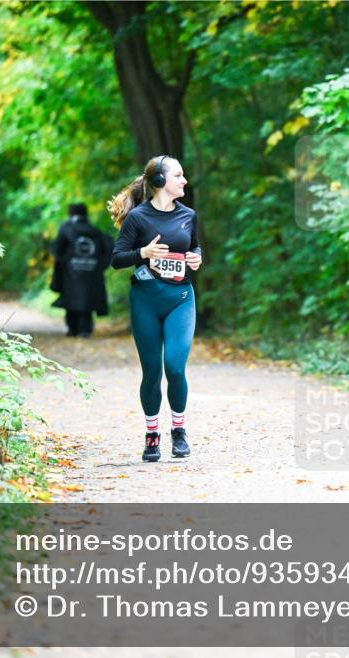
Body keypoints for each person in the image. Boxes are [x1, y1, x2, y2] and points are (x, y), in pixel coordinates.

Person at [109, 155, 202, 463]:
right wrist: (143, 252)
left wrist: (195, 257)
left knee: (174, 366)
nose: (184, 180)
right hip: (146, 301)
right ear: (161, 182)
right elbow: (117, 258)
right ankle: (152, 435)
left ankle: (179, 430)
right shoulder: (139, 218)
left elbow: (195, 246)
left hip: (181, 299)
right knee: (151, 372)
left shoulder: (189, 215)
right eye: (179, 175)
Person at [50, 203, 112, 338]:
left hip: (71, 273)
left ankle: (72, 330)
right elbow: (108, 249)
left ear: (71, 213)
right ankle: (85, 330)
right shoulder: (95, 231)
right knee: (88, 301)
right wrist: (99, 266)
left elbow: (56, 249)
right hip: (92, 272)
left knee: (71, 300)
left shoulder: (66, 229)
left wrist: (65, 262)